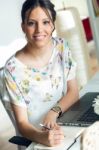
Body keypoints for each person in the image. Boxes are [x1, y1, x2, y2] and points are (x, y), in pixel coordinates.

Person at [3, 0, 79, 147]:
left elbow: (73, 92)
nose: (39, 30)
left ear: (53, 25)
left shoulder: (62, 47)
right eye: (32, 23)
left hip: (66, 128)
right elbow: (22, 124)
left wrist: (53, 112)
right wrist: (42, 137)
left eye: (45, 22)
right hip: (36, 140)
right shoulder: (12, 69)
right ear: (23, 27)